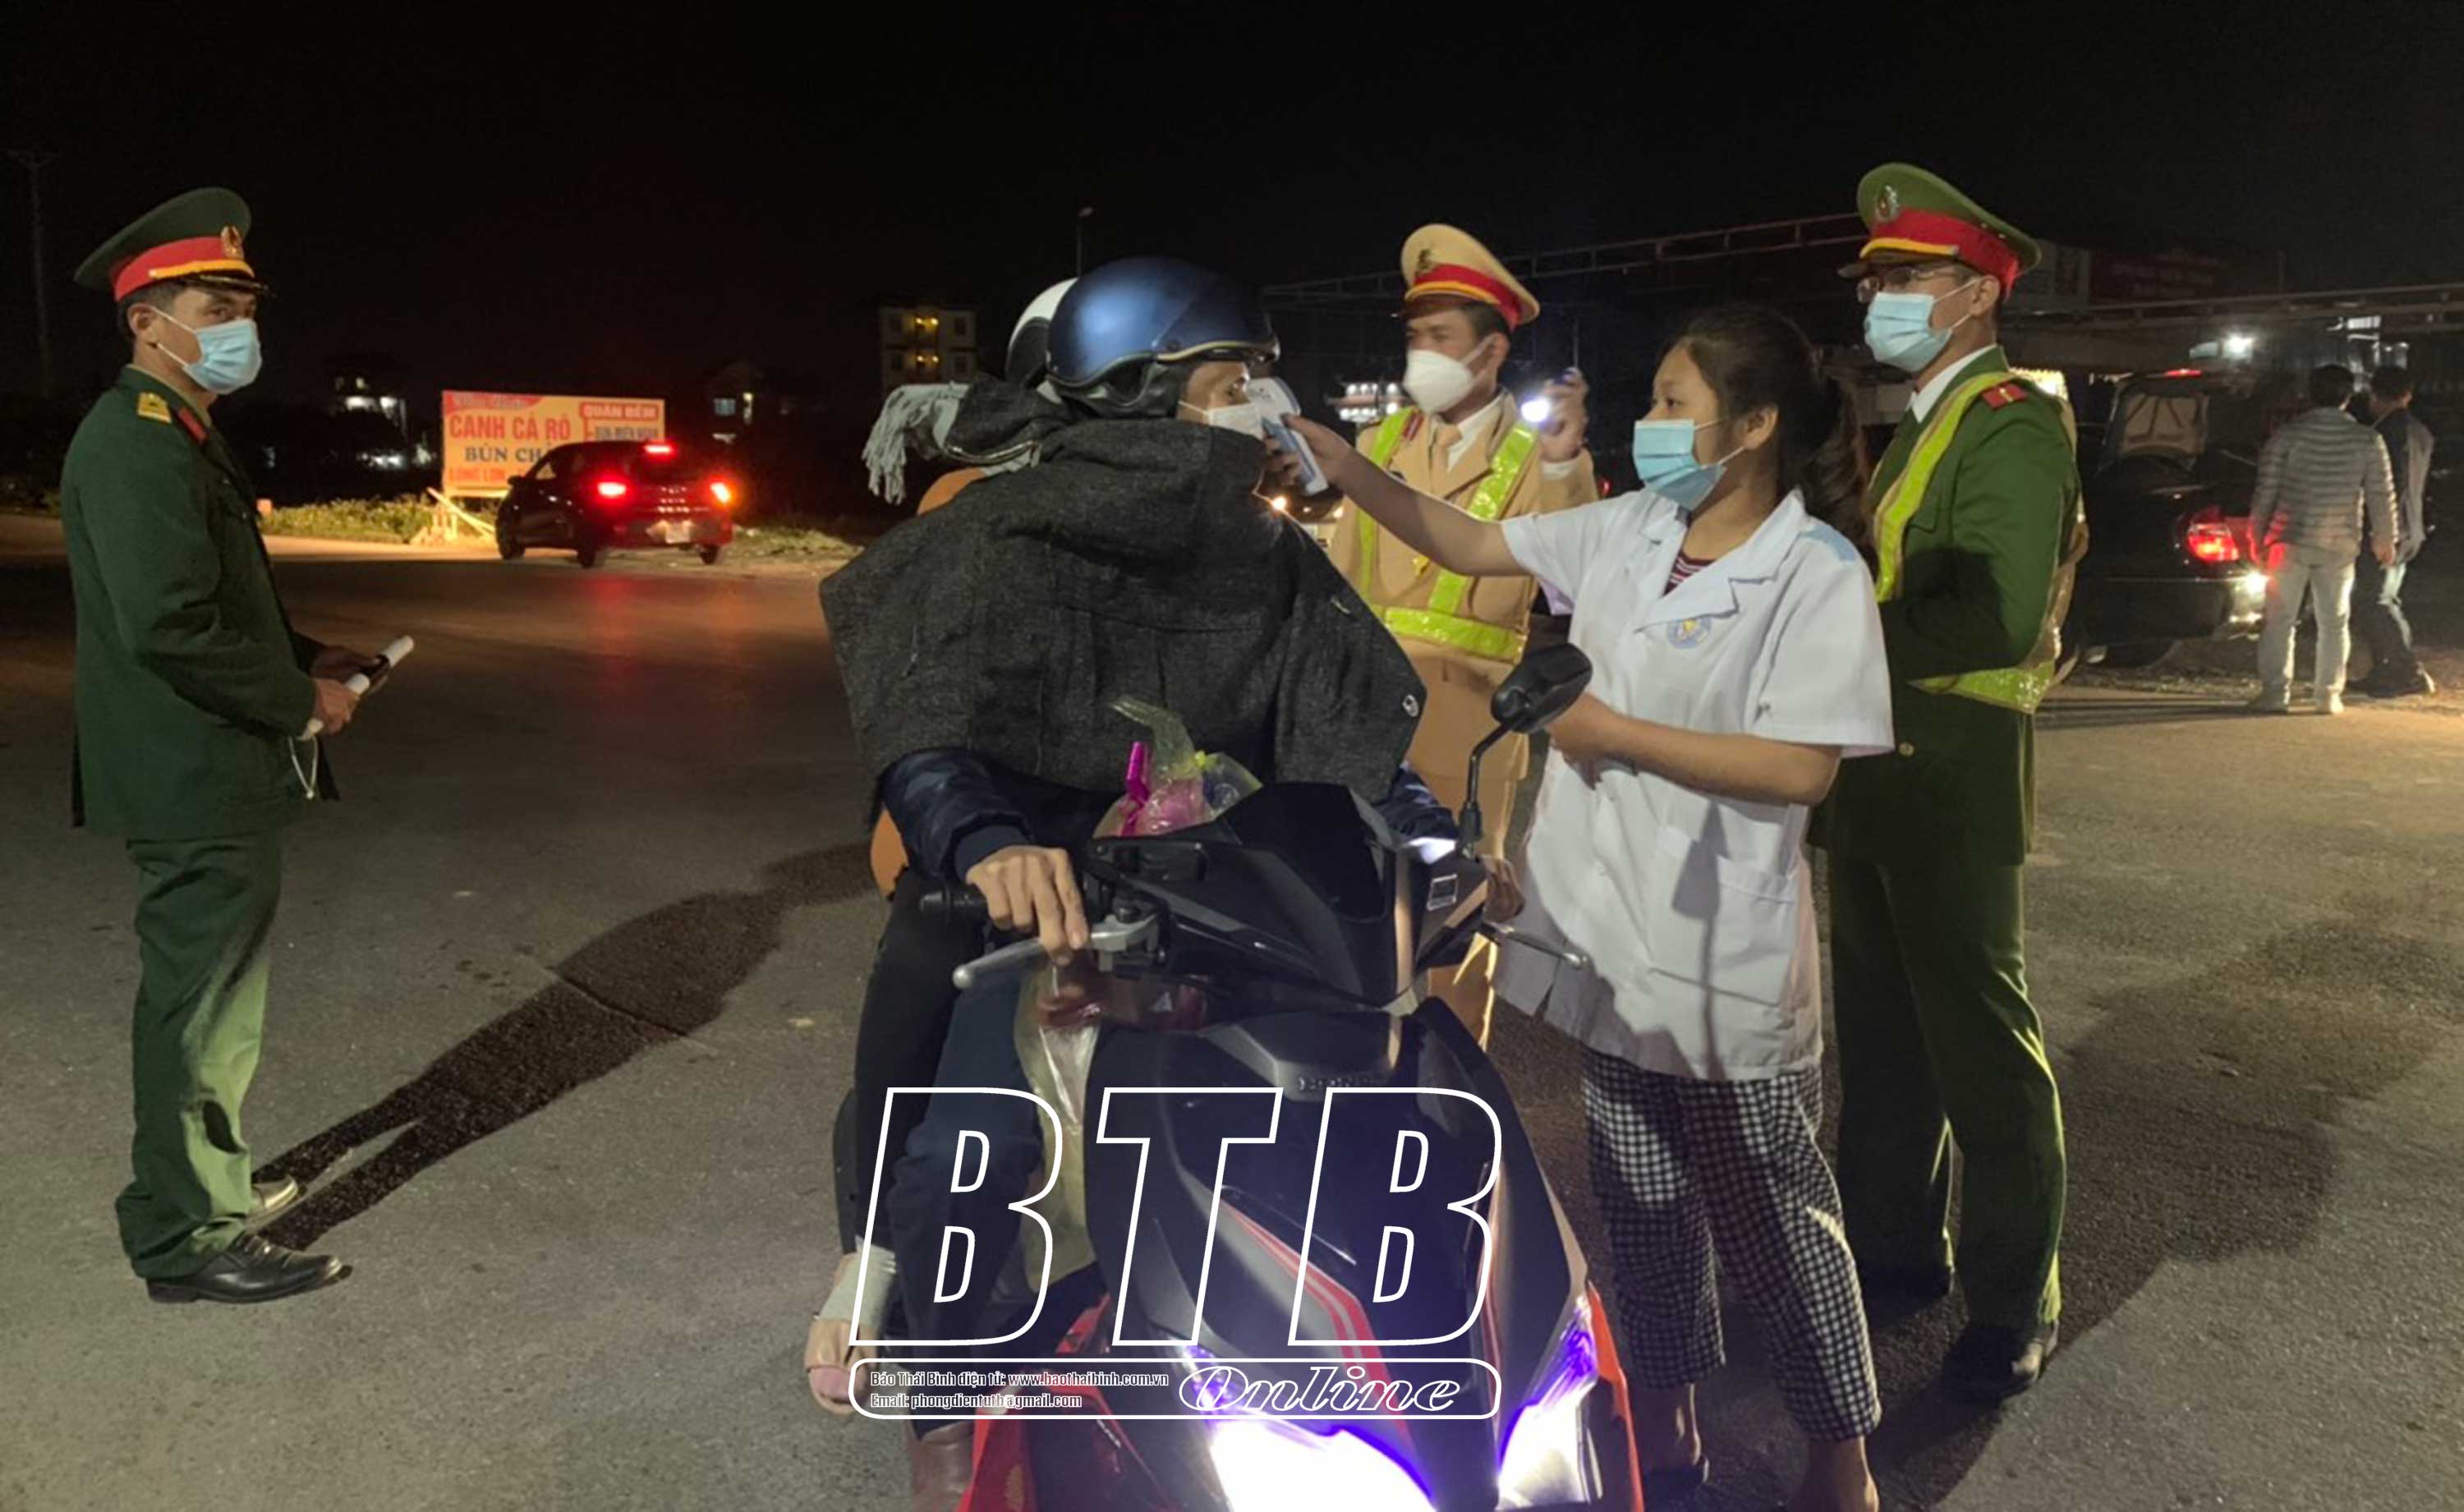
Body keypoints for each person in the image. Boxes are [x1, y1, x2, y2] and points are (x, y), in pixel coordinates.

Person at [821, 256, 1454, 1507]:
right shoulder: (1001, 534)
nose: (1265, 400)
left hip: (1224, 914)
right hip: (1036, 922)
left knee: (1369, 1129)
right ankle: (937, 1386)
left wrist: (1434, 838)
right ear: (1144, 390)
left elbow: (1349, 743)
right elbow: (925, 733)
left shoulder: (1264, 554)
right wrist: (987, 842)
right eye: (1236, 377)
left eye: (1263, 375)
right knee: (977, 1149)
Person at [1290, 303, 1894, 1512]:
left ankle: (1843, 1461)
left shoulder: (1815, 570)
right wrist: (1345, 464)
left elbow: (1804, 767)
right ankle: (1666, 1428)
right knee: (1644, 1206)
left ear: (1754, 425)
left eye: (1674, 401)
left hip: (1718, 953)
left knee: (1777, 1224)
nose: (1650, 420)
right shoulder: (1630, 527)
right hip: (1609, 939)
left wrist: (1613, 733)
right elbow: (1467, 542)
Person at [60, 188, 384, 1304]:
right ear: (148, 322)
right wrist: (300, 699)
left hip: (204, 763)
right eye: (215, 307)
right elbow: (168, 623)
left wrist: (309, 651)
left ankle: (205, 1188)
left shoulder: (180, 432)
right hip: (189, 765)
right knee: (200, 1011)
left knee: (217, 1005)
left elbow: (215, 599)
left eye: (245, 306)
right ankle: (187, 1238)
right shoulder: (136, 442)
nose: (241, 327)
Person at [1814, 163, 2086, 1402]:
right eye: (1876, 281)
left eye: (1911, 277)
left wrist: (1825, 638)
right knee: (1883, 1043)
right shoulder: (1927, 421)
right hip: (1875, 767)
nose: (1883, 300)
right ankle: (1893, 1252)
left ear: (1978, 293)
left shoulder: (2010, 420)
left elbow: (1994, 613)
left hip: (1954, 773)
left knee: (1981, 1049)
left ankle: (2014, 1298)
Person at [809, 278, 1078, 1416]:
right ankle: (887, 1292)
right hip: (979, 860)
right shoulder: (971, 509)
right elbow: (924, 710)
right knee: (952, 1114)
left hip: (1147, 873)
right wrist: (981, 837)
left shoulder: (1202, 523)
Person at [1323, 224, 1596, 1046]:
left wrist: (1563, 467)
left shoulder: (1539, 457)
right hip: (1369, 722)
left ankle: (1446, 1095)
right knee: (1354, 916)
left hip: (1473, 731)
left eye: (1440, 337)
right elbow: (1338, 587)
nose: (1422, 353)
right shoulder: (1376, 444)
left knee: (1459, 924)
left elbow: (1574, 575)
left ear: (1492, 350)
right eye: (1415, 336)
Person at [2248, 364, 2399, 715]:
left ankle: (2274, 693)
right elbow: (2381, 493)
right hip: (2340, 542)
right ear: (2349, 397)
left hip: (2288, 538)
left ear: (2309, 394)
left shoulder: (2288, 436)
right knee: (2335, 622)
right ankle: (2328, 695)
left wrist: (2257, 535)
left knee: (2279, 620)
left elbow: (2266, 488)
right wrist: (2385, 538)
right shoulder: (2367, 440)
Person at [2351, 365, 2436, 699]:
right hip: (2412, 527)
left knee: (2374, 601)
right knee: (2385, 598)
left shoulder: (2384, 433)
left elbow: (2390, 486)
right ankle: (2386, 668)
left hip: (2389, 529)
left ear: (2375, 395)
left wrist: (2383, 532)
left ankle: (2405, 669)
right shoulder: (2420, 431)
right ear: (2408, 394)